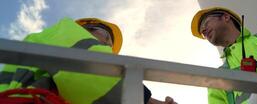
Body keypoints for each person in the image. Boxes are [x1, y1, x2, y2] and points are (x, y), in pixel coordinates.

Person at [0, 17, 176, 104]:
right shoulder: (66, 31)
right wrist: (151, 101)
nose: (107, 44)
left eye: (110, 44)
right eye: (106, 36)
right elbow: (94, 79)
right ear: (85, 29)